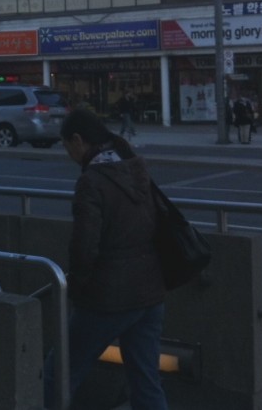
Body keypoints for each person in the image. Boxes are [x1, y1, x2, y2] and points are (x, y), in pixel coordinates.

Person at [59, 108, 168, 409]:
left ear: (78, 141)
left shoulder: (92, 181)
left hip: (109, 296)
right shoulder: (134, 167)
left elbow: (84, 247)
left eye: (67, 146)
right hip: (150, 291)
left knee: (60, 371)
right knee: (146, 381)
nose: (68, 153)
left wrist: (77, 286)